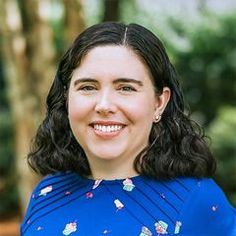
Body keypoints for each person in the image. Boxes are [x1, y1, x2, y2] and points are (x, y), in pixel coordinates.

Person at [21, 22, 236, 236]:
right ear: (67, 98)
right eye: (88, 87)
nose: (104, 105)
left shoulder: (196, 202)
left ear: (159, 102)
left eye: (126, 88)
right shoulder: (46, 194)